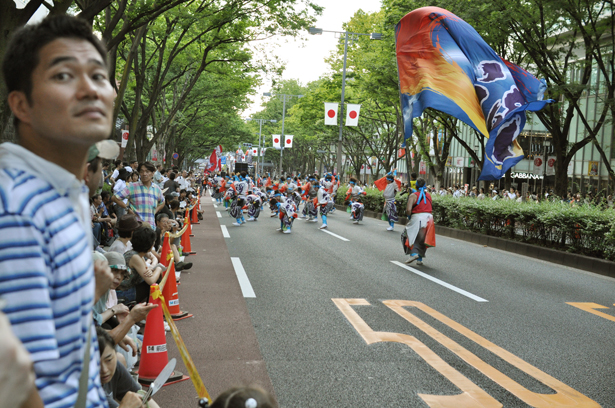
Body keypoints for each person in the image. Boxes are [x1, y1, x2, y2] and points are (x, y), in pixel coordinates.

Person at [0, 14, 115, 407]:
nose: (90, 90)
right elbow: (20, 381)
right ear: (21, 105)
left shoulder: (62, 194)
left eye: (99, 76)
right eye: (64, 76)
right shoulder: (18, 209)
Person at [96, 327, 160, 408]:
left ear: (115, 352)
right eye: (96, 364)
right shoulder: (86, 391)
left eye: (108, 360)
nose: (104, 370)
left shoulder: (116, 368)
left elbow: (143, 398)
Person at [117, 226, 164, 303]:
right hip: (123, 293)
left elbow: (148, 274)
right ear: (149, 245)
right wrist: (159, 268)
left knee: (154, 279)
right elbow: (151, 281)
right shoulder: (135, 257)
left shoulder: (137, 254)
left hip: (128, 288)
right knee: (155, 283)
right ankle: (152, 311)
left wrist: (152, 269)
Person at [113, 161, 165, 227]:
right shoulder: (132, 186)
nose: (144, 174)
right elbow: (115, 198)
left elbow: (162, 202)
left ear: (152, 173)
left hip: (151, 227)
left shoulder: (156, 188)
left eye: (147, 171)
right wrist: (127, 208)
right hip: (136, 227)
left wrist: (154, 211)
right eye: (142, 171)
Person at [403, 178, 434, 265]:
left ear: (416, 185)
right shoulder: (428, 195)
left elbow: (408, 209)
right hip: (429, 218)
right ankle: (420, 258)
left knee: (410, 235)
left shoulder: (413, 195)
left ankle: (413, 254)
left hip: (417, 217)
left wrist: (409, 216)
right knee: (423, 238)